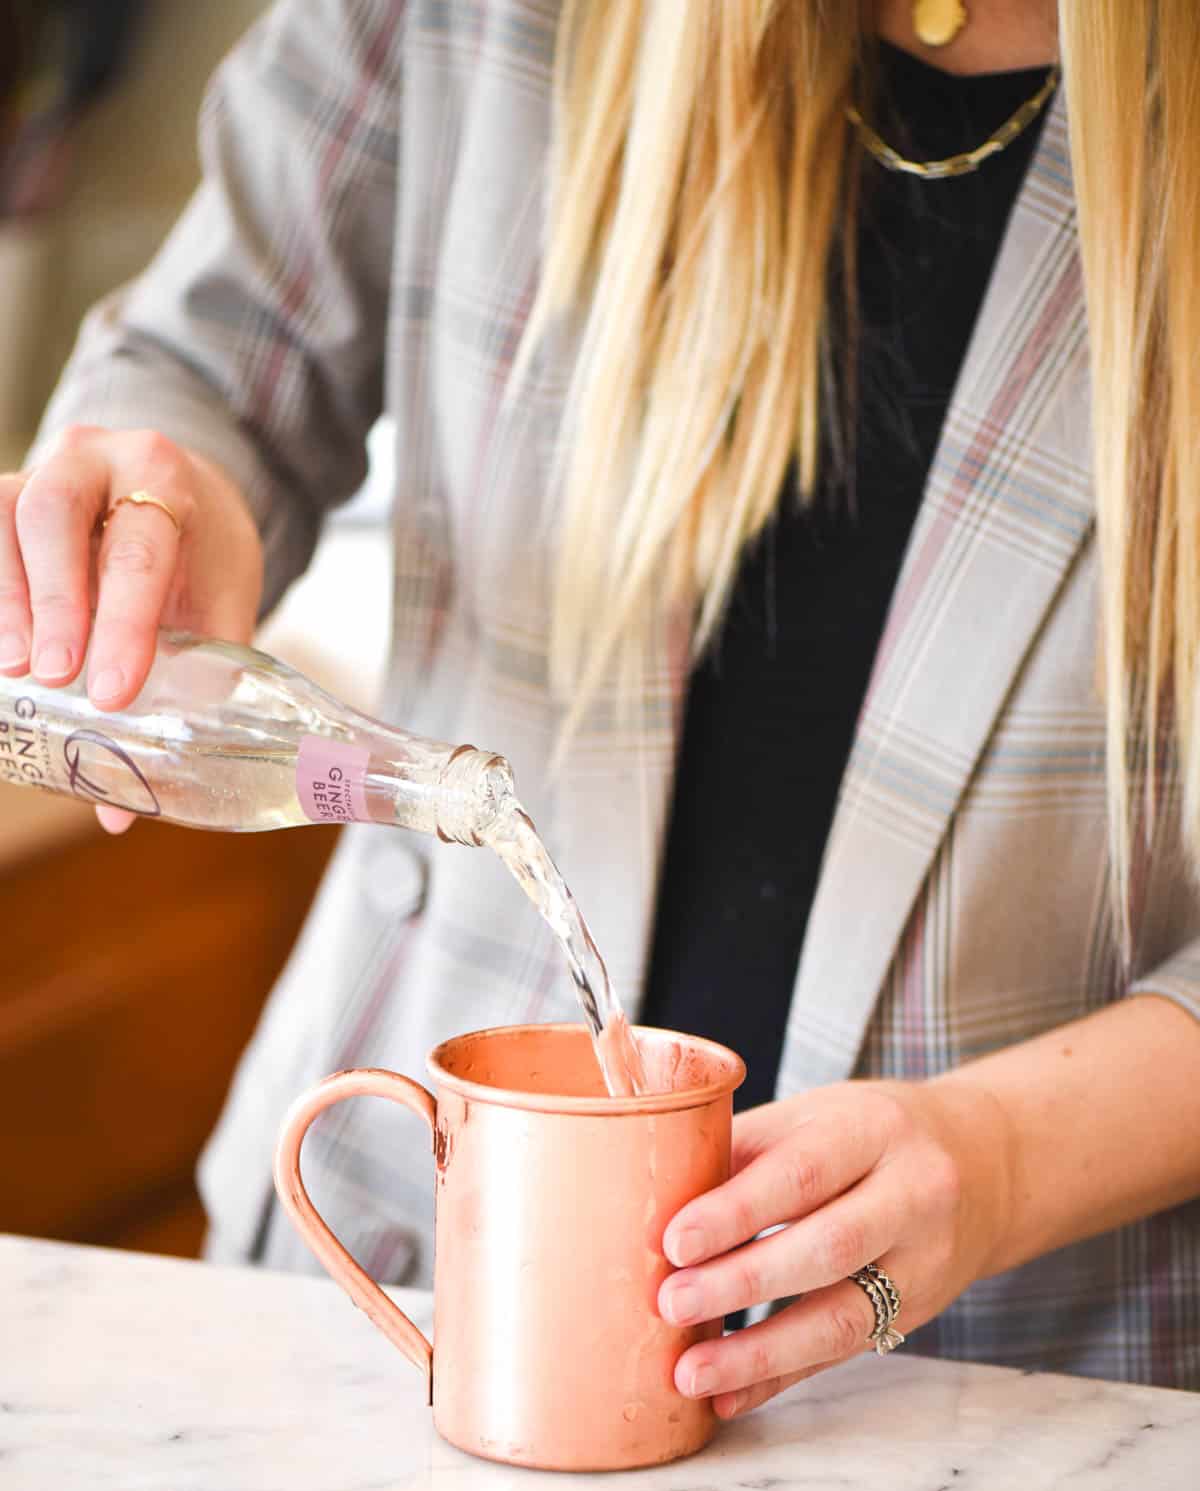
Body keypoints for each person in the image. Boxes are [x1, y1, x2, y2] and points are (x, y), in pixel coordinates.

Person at [3, 0, 1199, 1412]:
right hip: (397, 1291)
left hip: (1013, 1397)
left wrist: (1002, 1156)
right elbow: (212, 359)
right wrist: (163, 492)